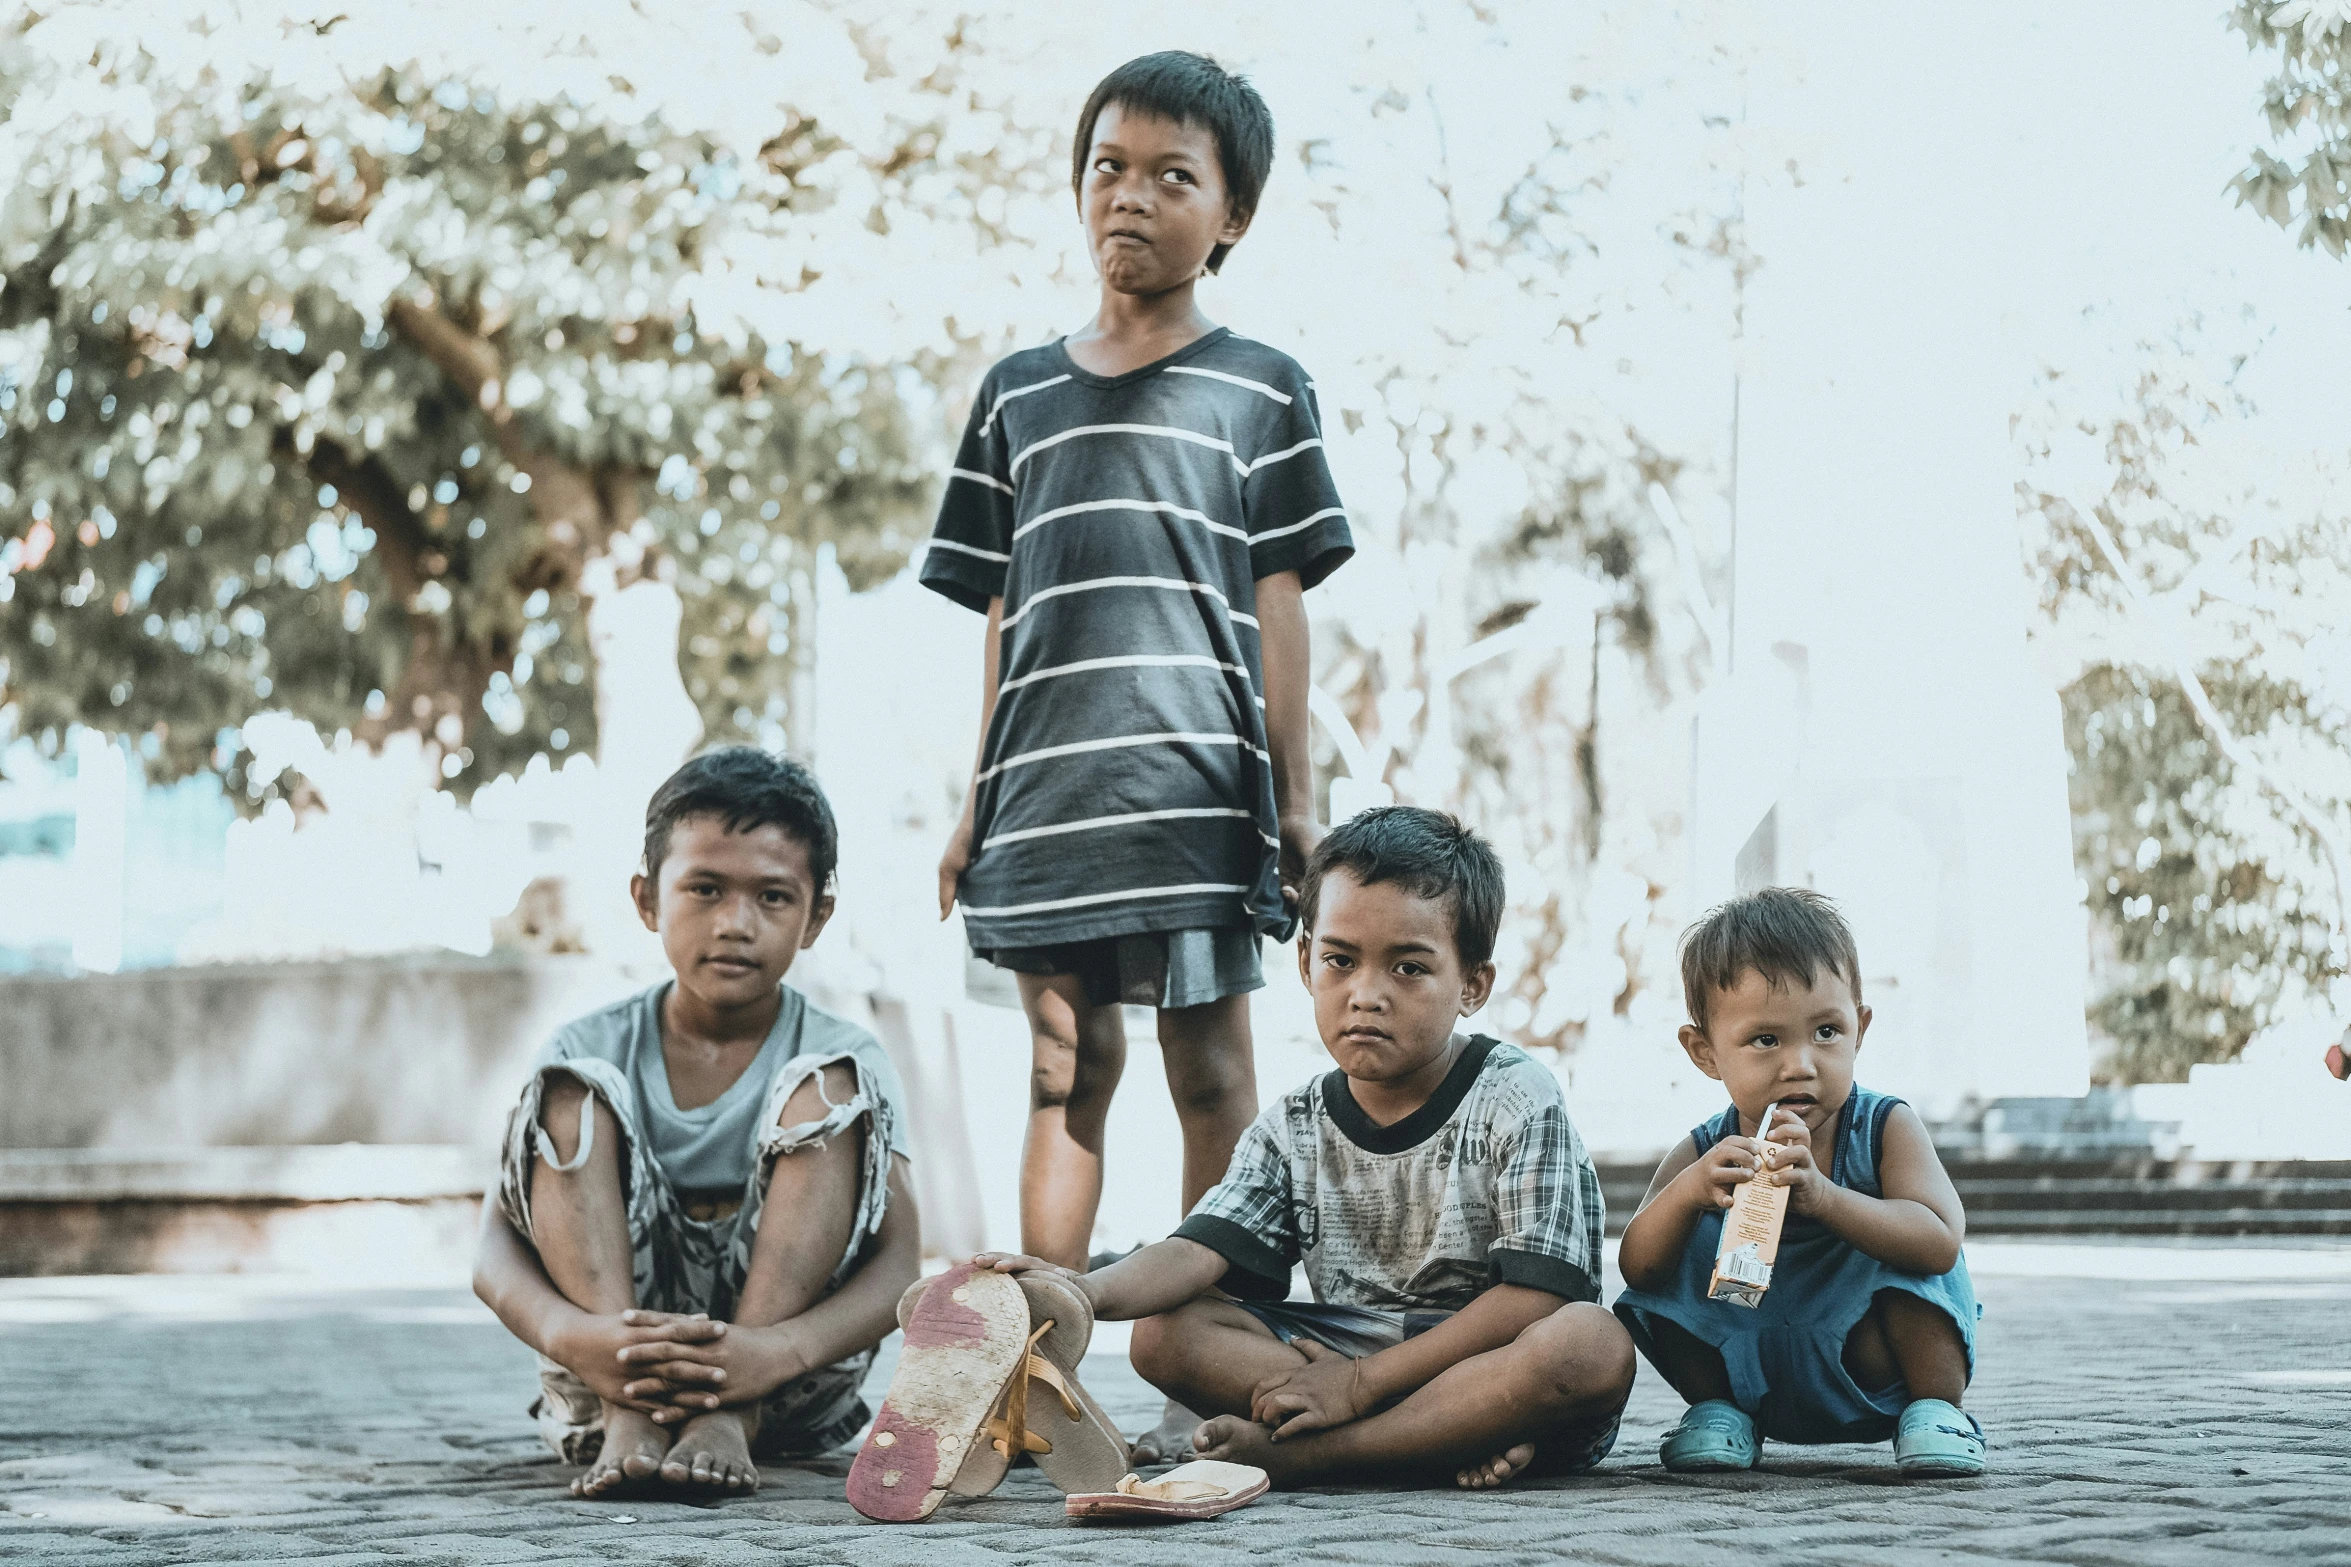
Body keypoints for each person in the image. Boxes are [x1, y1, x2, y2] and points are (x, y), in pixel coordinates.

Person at [921, 49, 1353, 1460]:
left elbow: (1278, 599)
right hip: (1044, 791)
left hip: (1194, 783)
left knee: (1211, 1071)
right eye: (1110, 165)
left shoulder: (1259, 388)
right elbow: (999, 605)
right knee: (1063, 1064)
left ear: (1228, 217)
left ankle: (1203, 1364)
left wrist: (1294, 794)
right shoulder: (1013, 395)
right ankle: (1032, 1365)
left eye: (1176, 176)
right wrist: (968, 798)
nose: (1133, 195)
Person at [970, 807, 1635, 1488]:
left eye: (1408, 967)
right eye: (1340, 960)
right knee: (1166, 1332)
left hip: (1484, 1358)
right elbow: (1199, 1249)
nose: (1365, 994)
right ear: (1305, 959)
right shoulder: (1294, 1123)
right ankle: (1440, 1437)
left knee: (1590, 1342)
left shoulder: (1518, 1097)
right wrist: (1080, 1290)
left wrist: (1360, 1384)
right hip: (1345, 1360)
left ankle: (1311, 1456)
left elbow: (1534, 1301)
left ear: (1472, 984)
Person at [472, 748, 921, 1498]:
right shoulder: (587, 1045)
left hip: (784, 1386)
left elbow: (899, 1264)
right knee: (568, 1090)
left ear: (817, 916)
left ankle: (728, 1417)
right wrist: (576, 1337)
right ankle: (630, 1413)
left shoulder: (846, 1055)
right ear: (648, 899)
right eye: (704, 889)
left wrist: (769, 1354)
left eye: (773, 897)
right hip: (603, 1369)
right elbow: (492, 1250)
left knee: (833, 1085)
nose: (736, 922)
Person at [1613, 887, 1986, 1477]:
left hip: (1868, 1357)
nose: (1801, 1064)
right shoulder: (1708, 1150)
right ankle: (1721, 1411)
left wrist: (1827, 1199)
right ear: (1705, 1052)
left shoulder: (1885, 1127)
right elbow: (1638, 1268)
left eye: (1827, 1032)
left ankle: (1936, 1410)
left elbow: (1941, 1237)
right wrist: (1688, 1194)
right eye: (1766, 1040)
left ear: (1860, 1028)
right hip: (1754, 1357)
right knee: (1668, 1258)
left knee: (1911, 1247)